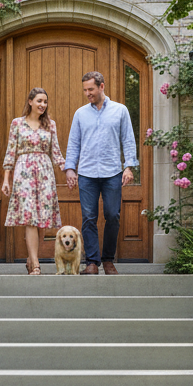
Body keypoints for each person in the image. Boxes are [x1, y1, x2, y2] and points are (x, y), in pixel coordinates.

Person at [63, 70, 138, 275]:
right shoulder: (80, 114)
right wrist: (70, 168)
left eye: (91, 89)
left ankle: (108, 260)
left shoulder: (120, 111)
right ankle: (92, 262)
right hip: (87, 173)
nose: (88, 93)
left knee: (113, 215)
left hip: (112, 171)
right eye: (85, 90)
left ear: (102, 86)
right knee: (88, 217)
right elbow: (74, 143)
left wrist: (129, 166)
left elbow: (128, 140)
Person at [1, 87, 66, 275]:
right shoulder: (17, 123)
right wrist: (7, 179)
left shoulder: (50, 125)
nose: (42, 105)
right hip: (24, 173)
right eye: (39, 101)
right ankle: (36, 264)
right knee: (30, 218)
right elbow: (10, 152)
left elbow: (56, 153)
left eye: (45, 102)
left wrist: (69, 171)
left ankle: (31, 257)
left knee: (42, 219)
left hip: (45, 173)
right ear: (30, 102)